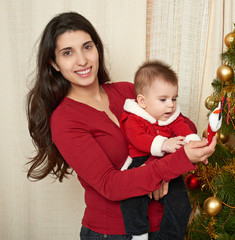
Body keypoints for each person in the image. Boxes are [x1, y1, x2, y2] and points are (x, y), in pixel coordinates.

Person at [26, 11, 216, 240]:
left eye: (87, 47)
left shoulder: (126, 92)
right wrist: (169, 165)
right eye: (68, 53)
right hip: (115, 233)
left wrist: (159, 168)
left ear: (97, 49)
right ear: (54, 63)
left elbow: (180, 122)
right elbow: (111, 185)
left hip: (165, 227)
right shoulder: (65, 120)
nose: (82, 60)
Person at [120, 60, 201, 240]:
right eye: (163, 99)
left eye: (174, 99)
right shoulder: (134, 118)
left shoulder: (171, 117)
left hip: (168, 165)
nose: (171, 105)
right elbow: (137, 138)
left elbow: (184, 129)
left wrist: (193, 142)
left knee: (181, 204)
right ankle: (138, 234)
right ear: (142, 101)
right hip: (141, 162)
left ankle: (170, 236)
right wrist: (163, 144)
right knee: (132, 200)